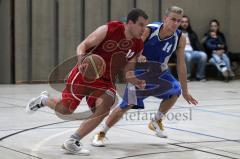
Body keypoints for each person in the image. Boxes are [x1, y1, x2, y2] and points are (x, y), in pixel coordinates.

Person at [25, 8, 148, 154]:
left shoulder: (138, 44)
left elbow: (128, 70)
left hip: (105, 81)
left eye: (145, 25)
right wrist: (81, 60)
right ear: (130, 23)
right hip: (85, 74)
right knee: (66, 110)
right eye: (141, 25)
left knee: (104, 106)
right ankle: (44, 100)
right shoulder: (109, 29)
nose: (143, 29)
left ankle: (72, 140)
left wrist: (136, 81)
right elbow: (82, 46)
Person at [91, 6, 198, 147]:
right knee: (126, 105)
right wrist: (139, 54)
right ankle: (101, 133)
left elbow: (181, 64)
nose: (175, 23)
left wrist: (185, 91)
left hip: (161, 73)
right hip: (140, 73)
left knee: (175, 90)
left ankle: (156, 121)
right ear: (165, 18)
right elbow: (135, 44)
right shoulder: (150, 29)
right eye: (173, 19)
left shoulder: (180, 38)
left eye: (179, 21)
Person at [179, 15, 207, 81]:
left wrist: (202, 51)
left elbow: (197, 45)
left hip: (192, 52)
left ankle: (200, 76)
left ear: (188, 23)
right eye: (182, 22)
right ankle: (187, 76)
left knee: (203, 55)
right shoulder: (176, 33)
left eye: (186, 22)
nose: (184, 23)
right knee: (188, 56)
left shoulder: (192, 33)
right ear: (180, 23)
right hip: (182, 53)